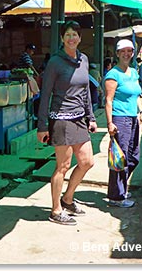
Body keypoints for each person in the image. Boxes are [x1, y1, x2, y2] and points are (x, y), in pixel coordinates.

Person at [37, 21, 97, 225]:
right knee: (62, 166)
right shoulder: (55, 62)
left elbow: (86, 90)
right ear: (62, 38)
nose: (72, 38)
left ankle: (68, 198)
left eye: (75, 35)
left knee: (87, 161)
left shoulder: (84, 59)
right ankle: (55, 210)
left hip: (79, 118)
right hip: (61, 119)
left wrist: (92, 117)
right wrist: (42, 125)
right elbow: (45, 94)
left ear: (80, 38)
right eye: (68, 35)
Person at [105, 39, 142, 208]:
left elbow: (136, 96)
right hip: (119, 119)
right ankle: (117, 196)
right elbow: (108, 100)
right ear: (117, 53)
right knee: (120, 159)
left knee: (133, 157)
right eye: (123, 51)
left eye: (129, 51)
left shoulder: (134, 72)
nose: (126, 54)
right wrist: (109, 123)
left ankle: (119, 188)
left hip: (132, 118)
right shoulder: (113, 75)